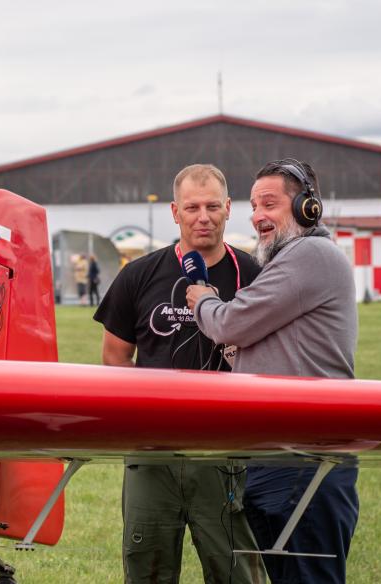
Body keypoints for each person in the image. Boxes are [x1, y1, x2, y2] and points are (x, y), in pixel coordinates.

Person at [186, 159, 359, 584]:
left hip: (301, 458)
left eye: (270, 204)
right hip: (280, 457)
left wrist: (203, 299)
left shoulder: (309, 253)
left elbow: (229, 323)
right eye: (253, 206)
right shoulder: (295, 259)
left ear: (307, 208)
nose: (258, 216)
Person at [94, 164, 265, 584]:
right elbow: (115, 356)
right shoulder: (139, 275)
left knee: (236, 571)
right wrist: (151, 414)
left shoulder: (255, 277)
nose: (202, 217)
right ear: (175, 212)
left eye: (211, 206)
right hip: (153, 454)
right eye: (192, 207)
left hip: (224, 453)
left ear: (228, 209)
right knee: (147, 568)